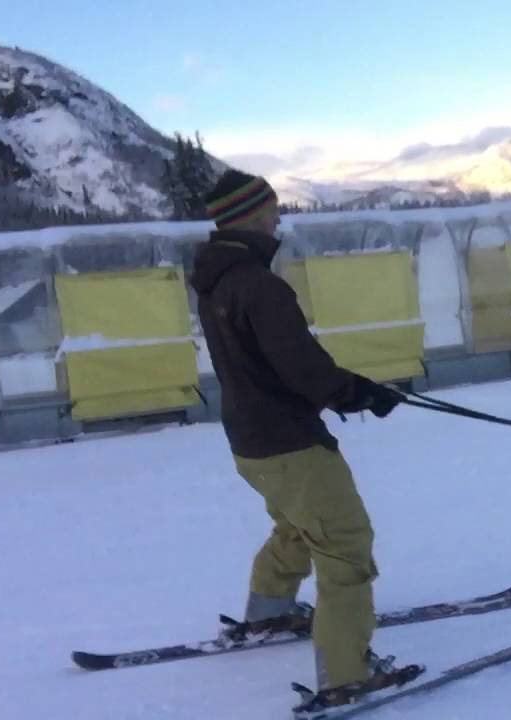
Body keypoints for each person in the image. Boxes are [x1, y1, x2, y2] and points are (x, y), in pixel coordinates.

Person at [188, 169, 422, 712]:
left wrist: (350, 392)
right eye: (272, 210)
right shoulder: (260, 285)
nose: (278, 219)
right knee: (343, 543)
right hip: (288, 441)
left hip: (252, 441)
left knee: (297, 527)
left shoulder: (217, 281)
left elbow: (273, 364)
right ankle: (346, 672)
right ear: (251, 215)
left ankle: (268, 612)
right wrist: (358, 394)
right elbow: (300, 365)